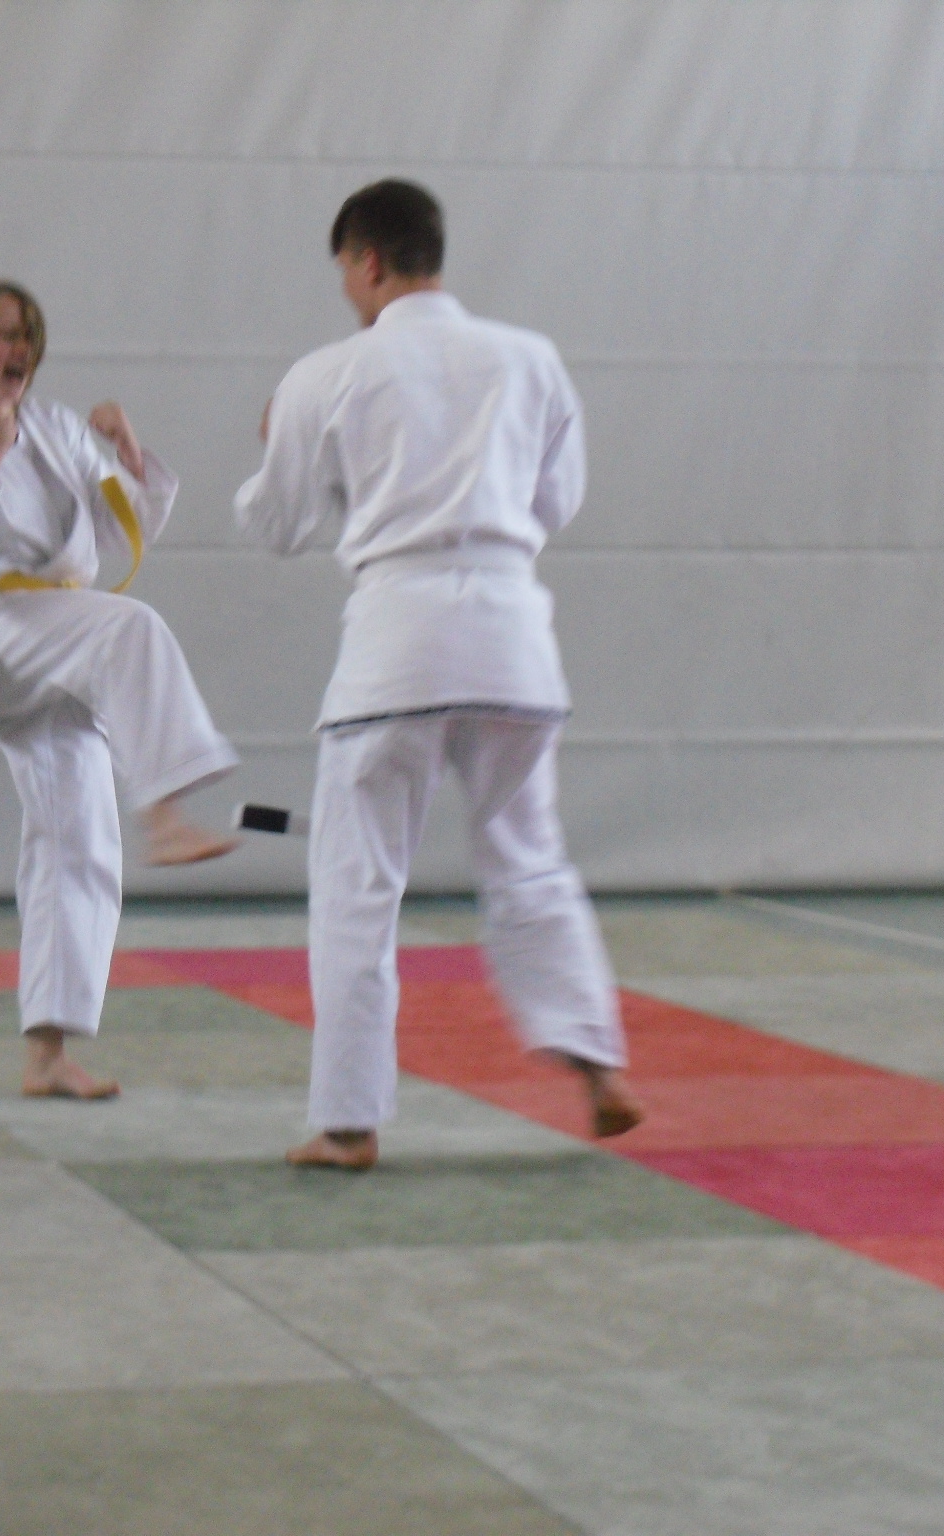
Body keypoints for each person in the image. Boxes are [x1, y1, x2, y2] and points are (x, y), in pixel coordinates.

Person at [234, 180, 642, 1168]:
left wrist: (276, 443)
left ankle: (347, 1122)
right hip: (511, 637)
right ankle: (595, 1064)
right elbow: (555, 503)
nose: (345, 289)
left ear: (368, 261)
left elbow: (276, 525)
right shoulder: (530, 357)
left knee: (356, 886)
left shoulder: (326, 373)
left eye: (344, 270)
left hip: (396, 647)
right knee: (530, 858)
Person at [0, 281, 240, 1100]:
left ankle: (47, 1055)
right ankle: (167, 812)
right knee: (131, 629)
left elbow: (122, 526)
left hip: (54, 642)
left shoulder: (55, 427)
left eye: (28, 338)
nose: (18, 350)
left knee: (75, 836)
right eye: (2, 334)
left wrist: (127, 455)